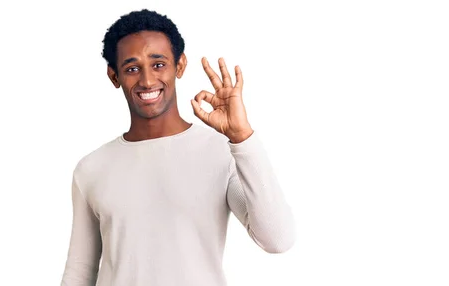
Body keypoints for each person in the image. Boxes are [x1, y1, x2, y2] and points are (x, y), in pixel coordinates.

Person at [60, 9, 295, 286]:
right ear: (114, 76)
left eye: (158, 64)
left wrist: (242, 137)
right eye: (132, 68)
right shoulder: (91, 168)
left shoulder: (222, 152)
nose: (147, 81)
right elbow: (80, 270)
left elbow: (277, 239)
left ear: (179, 66)